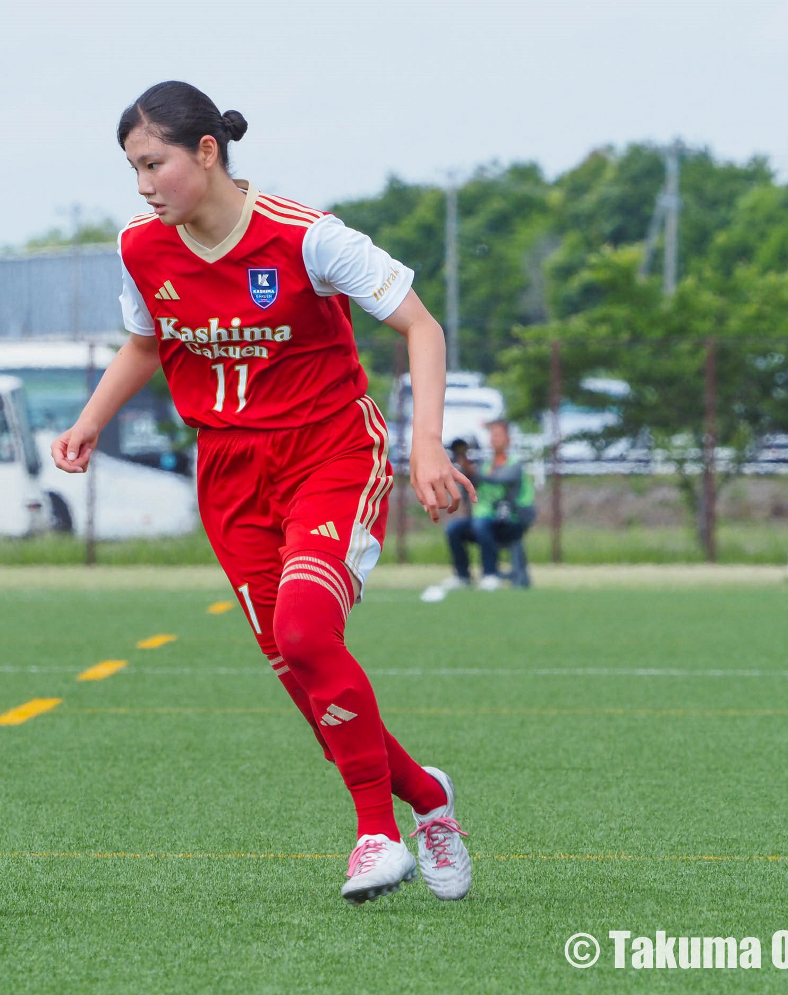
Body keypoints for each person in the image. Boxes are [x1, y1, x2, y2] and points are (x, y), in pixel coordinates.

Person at [52, 81, 476, 904]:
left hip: (331, 450)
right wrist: (90, 420)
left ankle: (375, 835)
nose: (142, 185)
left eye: (154, 164)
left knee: (309, 630)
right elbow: (146, 343)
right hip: (230, 470)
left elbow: (422, 325)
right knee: (301, 673)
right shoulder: (143, 246)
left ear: (206, 152)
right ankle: (428, 800)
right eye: (132, 169)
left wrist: (426, 443)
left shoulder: (307, 238)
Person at [430, 420, 535, 596]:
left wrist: (472, 471)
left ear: (508, 439)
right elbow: (472, 485)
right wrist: (463, 465)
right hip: (485, 520)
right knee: (454, 529)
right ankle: (462, 575)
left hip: (510, 521)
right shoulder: (486, 464)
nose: (494, 439)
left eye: (498, 435)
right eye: (492, 435)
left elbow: (499, 479)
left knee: (481, 525)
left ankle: (490, 574)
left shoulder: (515, 464)